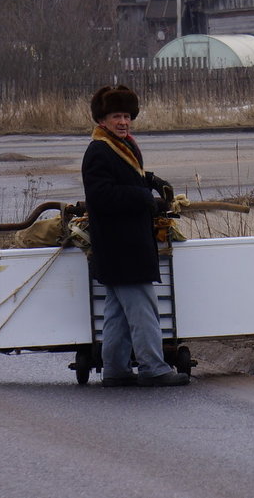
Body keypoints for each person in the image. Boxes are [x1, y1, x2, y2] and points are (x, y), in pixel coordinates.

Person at [81, 84, 190, 388]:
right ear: (101, 120)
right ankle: (153, 367)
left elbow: (126, 177)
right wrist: (145, 197)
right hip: (123, 247)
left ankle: (114, 368)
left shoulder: (120, 146)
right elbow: (101, 195)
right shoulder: (98, 151)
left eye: (127, 116)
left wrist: (151, 180)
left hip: (119, 247)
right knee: (143, 309)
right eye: (117, 116)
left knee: (116, 311)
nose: (123, 121)